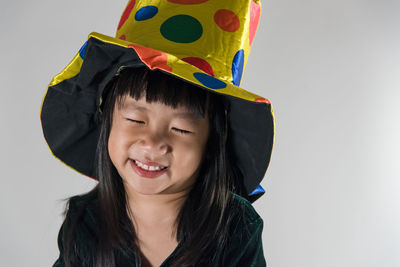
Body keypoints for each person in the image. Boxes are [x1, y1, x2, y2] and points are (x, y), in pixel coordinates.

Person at [40, 0, 275, 266]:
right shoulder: (85, 222)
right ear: (107, 124)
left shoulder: (235, 226)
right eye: (135, 119)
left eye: (181, 128)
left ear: (211, 142)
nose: (152, 143)